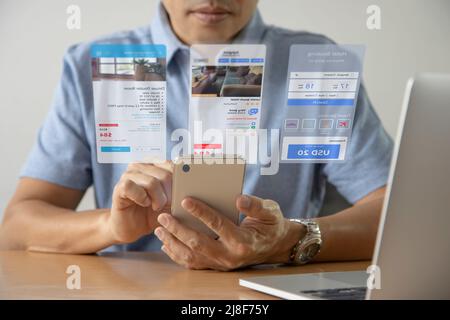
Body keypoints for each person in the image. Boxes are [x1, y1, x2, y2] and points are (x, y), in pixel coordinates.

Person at [0, 0, 393, 271]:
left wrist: (290, 239)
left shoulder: (317, 64)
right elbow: (18, 227)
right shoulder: (94, 64)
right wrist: (110, 227)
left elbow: (396, 214)